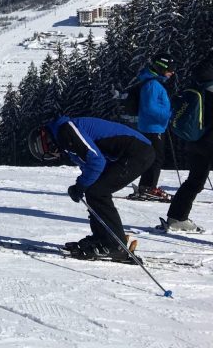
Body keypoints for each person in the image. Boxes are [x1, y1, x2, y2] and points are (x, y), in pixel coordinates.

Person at [29, 115, 154, 261]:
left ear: (48, 143)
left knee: (98, 192)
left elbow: (96, 162)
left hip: (137, 152)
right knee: (94, 190)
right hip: (132, 153)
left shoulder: (65, 131)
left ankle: (115, 245)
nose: (54, 155)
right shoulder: (64, 135)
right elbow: (91, 164)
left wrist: (81, 185)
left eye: (49, 154)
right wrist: (83, 185)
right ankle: (104, 237)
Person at [161, 58, 213, 232]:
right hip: (209, 141)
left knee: (195, 180)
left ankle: (177, 217)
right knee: (195, 180)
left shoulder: (198, 86)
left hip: (195, 141)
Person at [132, 54, 174, 201]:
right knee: (156, 158)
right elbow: (150, 108)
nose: (172, 72)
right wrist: (168, 115)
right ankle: (149, 187)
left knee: (153, 157)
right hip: (153, 127)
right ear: (161, 68)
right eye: (170, 68)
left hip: (154, 126)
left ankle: (146, 186)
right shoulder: (152, 85)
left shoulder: (153, 82)